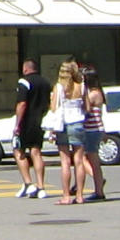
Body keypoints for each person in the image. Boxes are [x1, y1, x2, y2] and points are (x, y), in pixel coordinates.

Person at [47, 60, 85, 204]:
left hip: (63, 125)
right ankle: (80, 196)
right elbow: (87, 107)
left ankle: (66, 196)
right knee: (79, 161)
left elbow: (53, 108)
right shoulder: (81, 86)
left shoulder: (59, 87)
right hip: (78, 123)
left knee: (65, 162)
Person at [11, 60, 49, 199]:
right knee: (36, 152)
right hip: (40, 121)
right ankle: (41, 186)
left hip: (26, 121)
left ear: (25, 69)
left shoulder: (24, 82)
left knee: (18, 151)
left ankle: (28, 183)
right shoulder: (45, 82)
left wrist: (17, 124)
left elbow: (22, 103)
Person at [79, 64, 108, 202]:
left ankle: (98, 188)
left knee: (90, 160)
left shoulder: (93, 94)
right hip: (94, 129)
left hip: (92, 130)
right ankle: (98, 185)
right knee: (86, 158)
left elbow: (85, 108)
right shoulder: (97, 92)